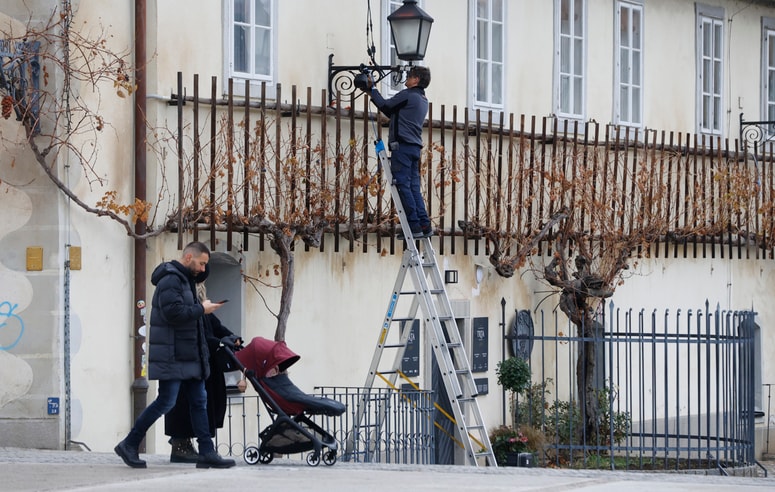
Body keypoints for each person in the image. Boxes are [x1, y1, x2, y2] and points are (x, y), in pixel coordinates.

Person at [114, 241, 235, 469]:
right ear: (188, 257)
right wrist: (203, 309)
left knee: (200, 401)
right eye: (201, 263)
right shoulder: (171, 279)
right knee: (165, 402)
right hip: (174, 356)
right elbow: (174, 313)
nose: (202, 269)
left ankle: (207, 452)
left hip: (188, 355)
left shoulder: (185, 279)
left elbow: (186, 313)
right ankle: (129, 444)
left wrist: (203, 309)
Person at [163, 265, 243, 463]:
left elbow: (216, 327)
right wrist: (219, 342)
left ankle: (204, 449)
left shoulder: (202, 312)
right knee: (182, 405)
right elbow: (196, 336)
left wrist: (232, 338)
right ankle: (184, 446)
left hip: (202, 366)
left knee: (199, 405)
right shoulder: (185, 309)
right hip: (187, 365)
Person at [364, 65, 433, 239]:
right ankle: (424, 224)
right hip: (414, 147)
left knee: (403, 185)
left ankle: (413, 227)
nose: (406, 79)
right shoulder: (423, 100)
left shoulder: (408, 95)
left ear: (416, 80)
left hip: (401, 146)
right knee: (414, 187)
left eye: (409, 76)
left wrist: (371, 89)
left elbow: (386, 106)